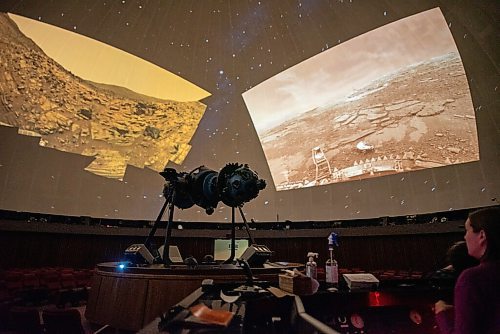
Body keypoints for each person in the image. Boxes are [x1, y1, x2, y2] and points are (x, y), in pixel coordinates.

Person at [434, 207, 500, 334]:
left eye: (467, 230)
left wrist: (443, 315)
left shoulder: (472, 279)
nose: (464, 237)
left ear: (482, 235)